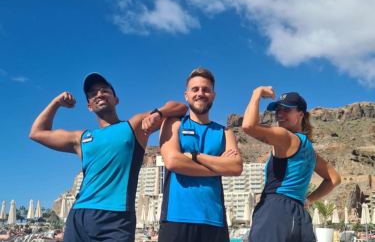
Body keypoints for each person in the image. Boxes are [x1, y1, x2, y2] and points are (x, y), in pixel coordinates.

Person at [29, 72, 188, 242]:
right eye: (92, 93)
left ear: (116, 99)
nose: (99, 94)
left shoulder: (133, 126)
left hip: (116, 217)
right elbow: (37, 133)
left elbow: (180, 107)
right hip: (79, 215)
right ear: (89, 106)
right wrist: (56, 103)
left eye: (104, 90)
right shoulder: (81, 138)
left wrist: (158, 113)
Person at [242, 87, 341, 242]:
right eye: (277, 110)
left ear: (300, 114)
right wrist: (308, 200)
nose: (280, 114)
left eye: (286, 110)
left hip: (275, 210)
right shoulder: (308, 149)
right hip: (299, 215)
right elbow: (334, 179)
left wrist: (256, 93)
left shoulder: (286, 137)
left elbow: (248, 126)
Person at [158, 68, 243, 242]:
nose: (200, 94)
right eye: (195, 89)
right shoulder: (173, 124)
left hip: (214, 218)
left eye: (206, 90)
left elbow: (235, 167)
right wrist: (219, 167)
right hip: (176, 216)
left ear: (213, 95)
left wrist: (195, 156)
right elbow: (173, 162)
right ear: (186, 95)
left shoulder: (225, 132)